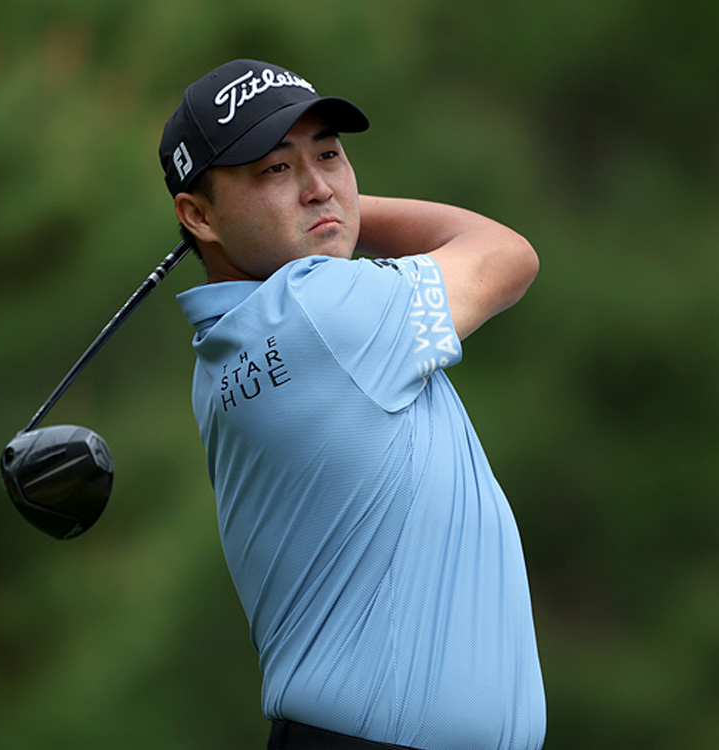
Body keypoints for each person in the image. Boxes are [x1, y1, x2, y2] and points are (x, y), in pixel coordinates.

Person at [159, 59, 545, 750]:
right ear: (197, 215)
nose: (318, 187)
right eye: (276, 169)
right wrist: (345, 212)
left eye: (329, 156)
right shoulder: (321, 309)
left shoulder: (227, 346)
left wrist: (329, 211)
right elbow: (507, 253)